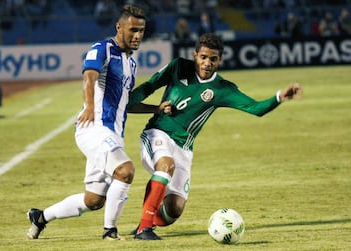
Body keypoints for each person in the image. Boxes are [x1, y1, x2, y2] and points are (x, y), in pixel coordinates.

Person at [127, 33, 303, 240]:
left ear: (220, 60)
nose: (207, 63)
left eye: (213, 59)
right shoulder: (178, 67)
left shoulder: (222, 89)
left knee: (174, 210)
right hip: (157, 133)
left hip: (184, 148)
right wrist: (130, 102)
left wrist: (279, 97)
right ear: (195, 55)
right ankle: (144, 229)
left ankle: (145, 221)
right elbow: (149, 86)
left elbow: (255, 108)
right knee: (165, 164)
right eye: (203, 57)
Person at [26, 4, 147, 240]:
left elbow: (127, 103)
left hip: (112, 134)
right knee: (125, 171)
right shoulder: (103, 48)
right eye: (133, 30)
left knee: (94, 200)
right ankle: (109, 232)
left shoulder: (131, 64)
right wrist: (90, 106)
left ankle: (40, 217)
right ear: (119, 27)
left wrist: (157, 109)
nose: (138, 35)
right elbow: (89, 75)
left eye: (142, 30)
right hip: (93, 129)